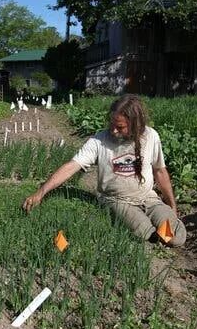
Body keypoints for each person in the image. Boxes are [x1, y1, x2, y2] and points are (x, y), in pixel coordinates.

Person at [23, 95, 186, 246]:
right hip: (117, 200)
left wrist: (172, 204)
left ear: (136, 124)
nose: (114, 130)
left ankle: (162, 230)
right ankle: (151, 233)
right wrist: (41, 192)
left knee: (173, 237)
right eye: (112, 124)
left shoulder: (151, 136)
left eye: (120, 127)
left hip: (148, 198)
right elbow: (72, 166)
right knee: (144, 233)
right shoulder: (99, 141)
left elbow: (160, 171)